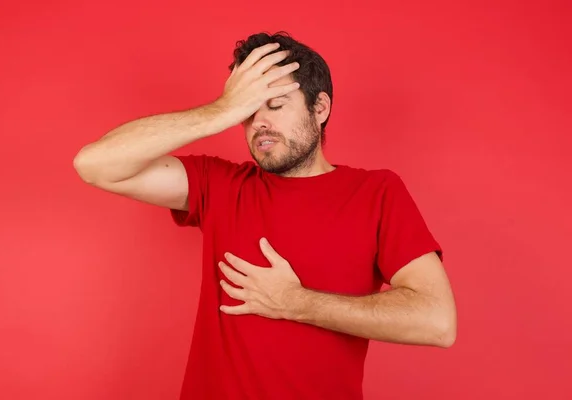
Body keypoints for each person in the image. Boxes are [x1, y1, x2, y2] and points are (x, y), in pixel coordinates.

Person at [73, 31, 457, 400]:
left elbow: (436, 321)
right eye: (248, 111)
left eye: (274, 105)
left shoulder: (376, 192)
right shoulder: (219, 184)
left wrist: (296, 302)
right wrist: (220, 110)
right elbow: (95, 164)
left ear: (319, 108)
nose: (259, 124)